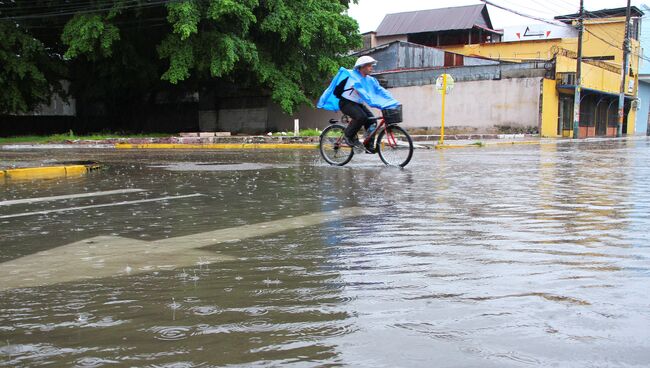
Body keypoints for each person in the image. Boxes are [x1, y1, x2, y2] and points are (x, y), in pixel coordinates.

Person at [317, 56, 400, 152]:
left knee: (372, 122)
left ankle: (368, 145)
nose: (371, 67)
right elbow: (363, 93)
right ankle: (348, 136)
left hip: (357, 104)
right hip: (346, 103)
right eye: (369, 66)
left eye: (371, 65)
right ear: (361, 67)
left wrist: (391, 101)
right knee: (361, 117)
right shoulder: (353, 77)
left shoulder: (370, 80)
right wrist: (376, 103)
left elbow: (380, 90)